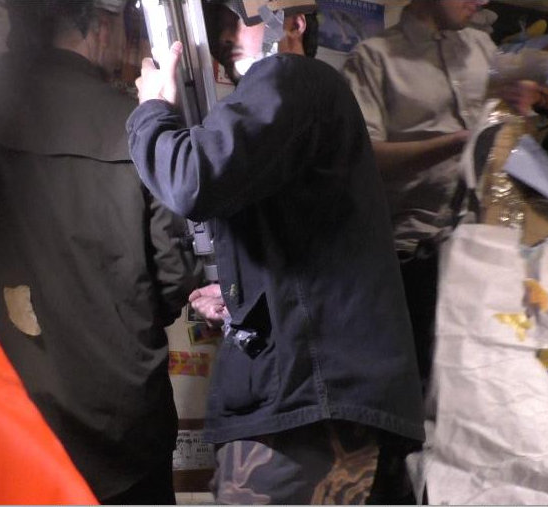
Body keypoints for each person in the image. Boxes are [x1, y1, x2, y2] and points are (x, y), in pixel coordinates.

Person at [127, 0, 425, 503]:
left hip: (309, 408)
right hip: (328, 402)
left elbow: (191, 180)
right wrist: (242, 295)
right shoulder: (309, 101)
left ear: (293, 22)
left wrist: (152, 111)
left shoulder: (288, 77)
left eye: (235, 19)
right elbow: (307, 250)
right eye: (217, 22)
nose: (223, 36)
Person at [0, 0, 200, 503]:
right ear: (99, 27)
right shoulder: (136, 127)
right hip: (124, 430)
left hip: (10, 418)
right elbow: (176, 277)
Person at [341, 0, 497, 391]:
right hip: (417, 258)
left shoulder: (483, 48)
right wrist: (458, 143)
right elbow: (362, 160)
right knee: (430, 394)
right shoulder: (372, 59)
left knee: (488, 386)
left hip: (490, 245)